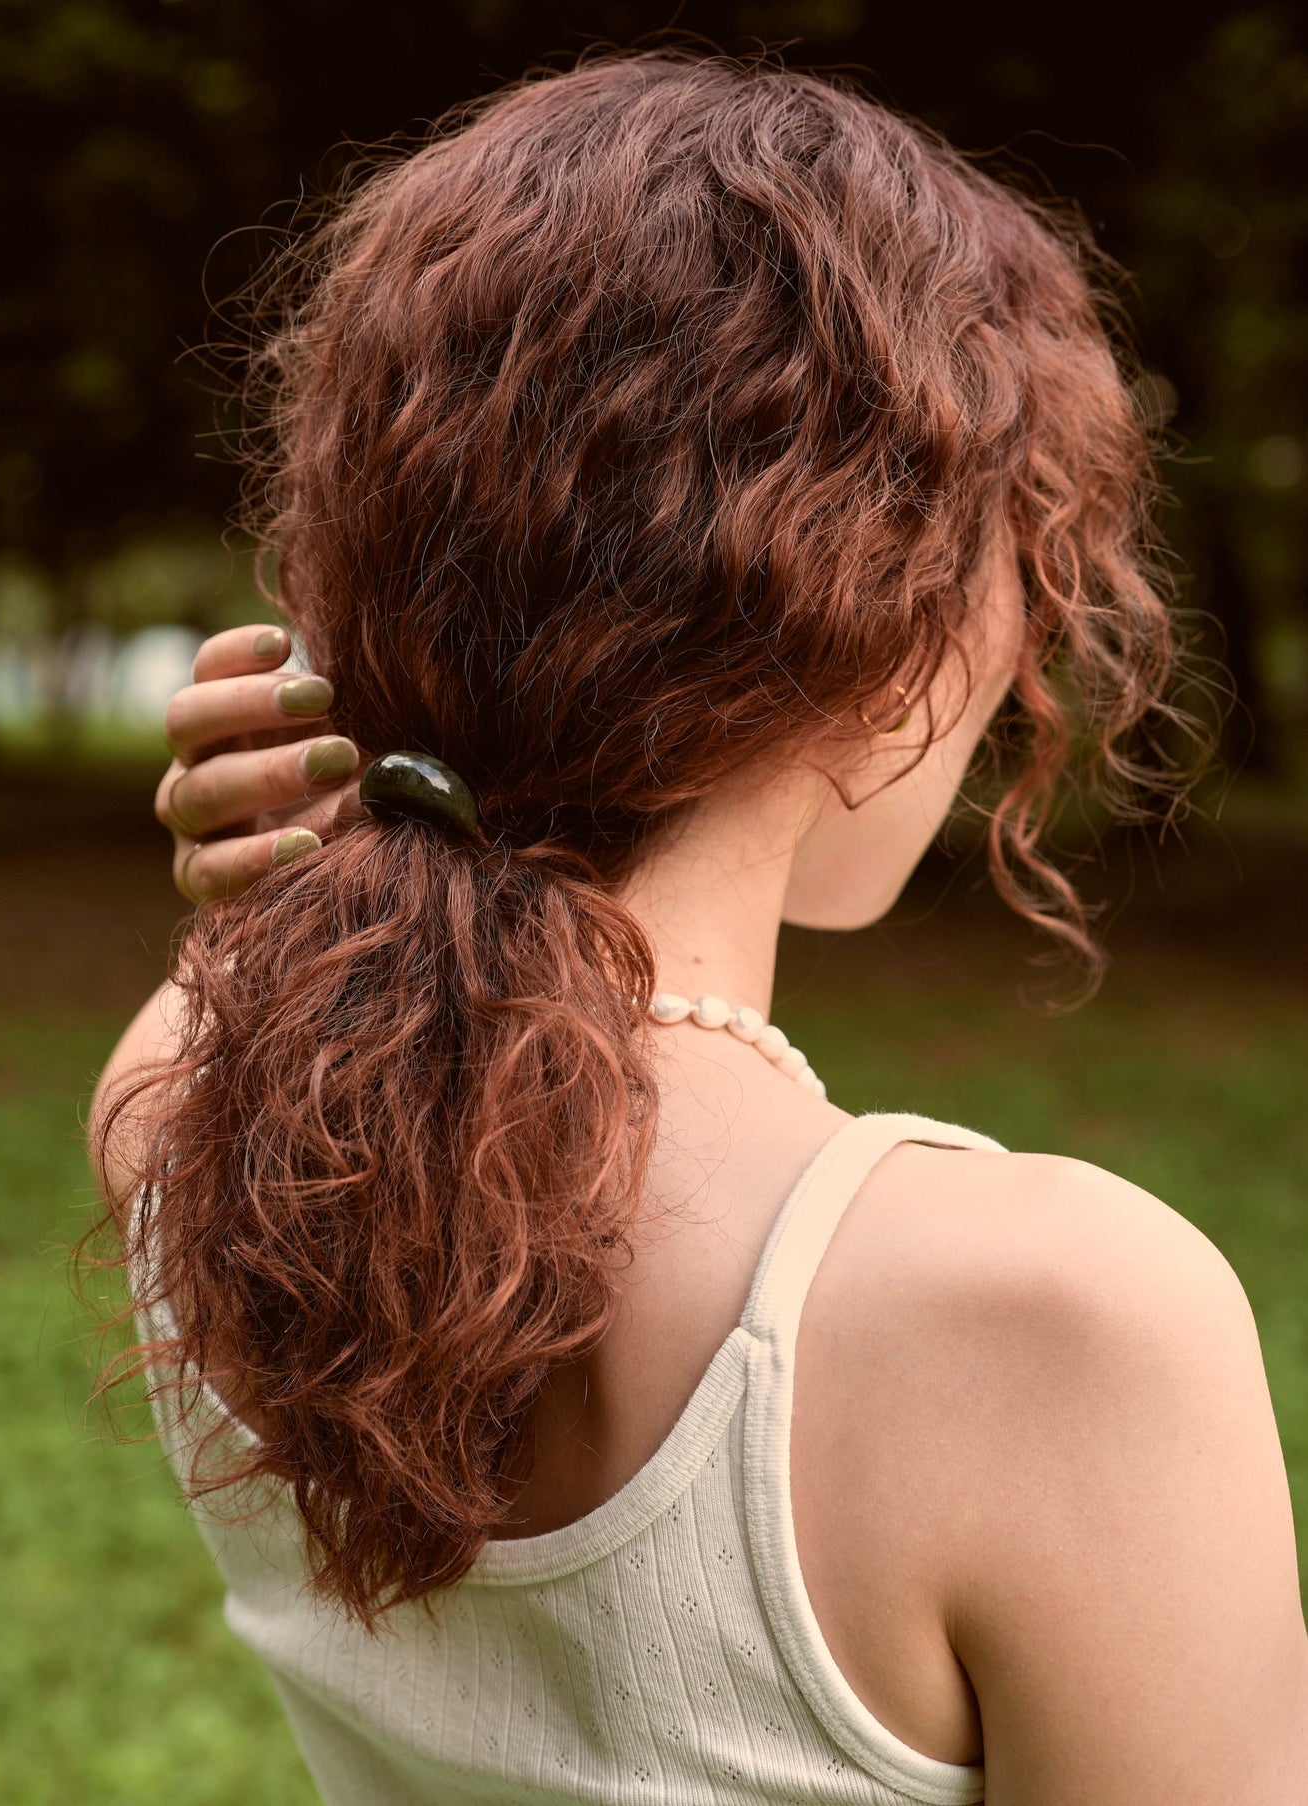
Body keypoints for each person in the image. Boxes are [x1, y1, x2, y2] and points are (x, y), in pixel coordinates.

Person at [87, 48, 1308, 1805]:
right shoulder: (1051, 1324)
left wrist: (294, 842)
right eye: (1013, 560)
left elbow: (280, 962)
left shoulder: (179, 1116)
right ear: (875, 610)